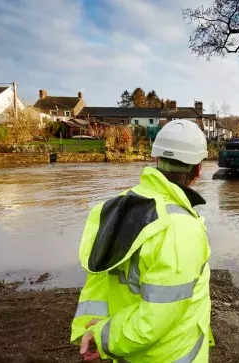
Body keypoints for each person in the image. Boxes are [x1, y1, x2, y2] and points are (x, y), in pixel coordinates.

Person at [70, 119, 212, 362]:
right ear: (198, 169)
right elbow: (157, 318)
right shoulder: (180, 227)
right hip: (169, 355)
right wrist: (104, 338)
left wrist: (92, 332)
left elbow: (98, 284)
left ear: (155, 160)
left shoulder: (116, 208)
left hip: (126, 350)